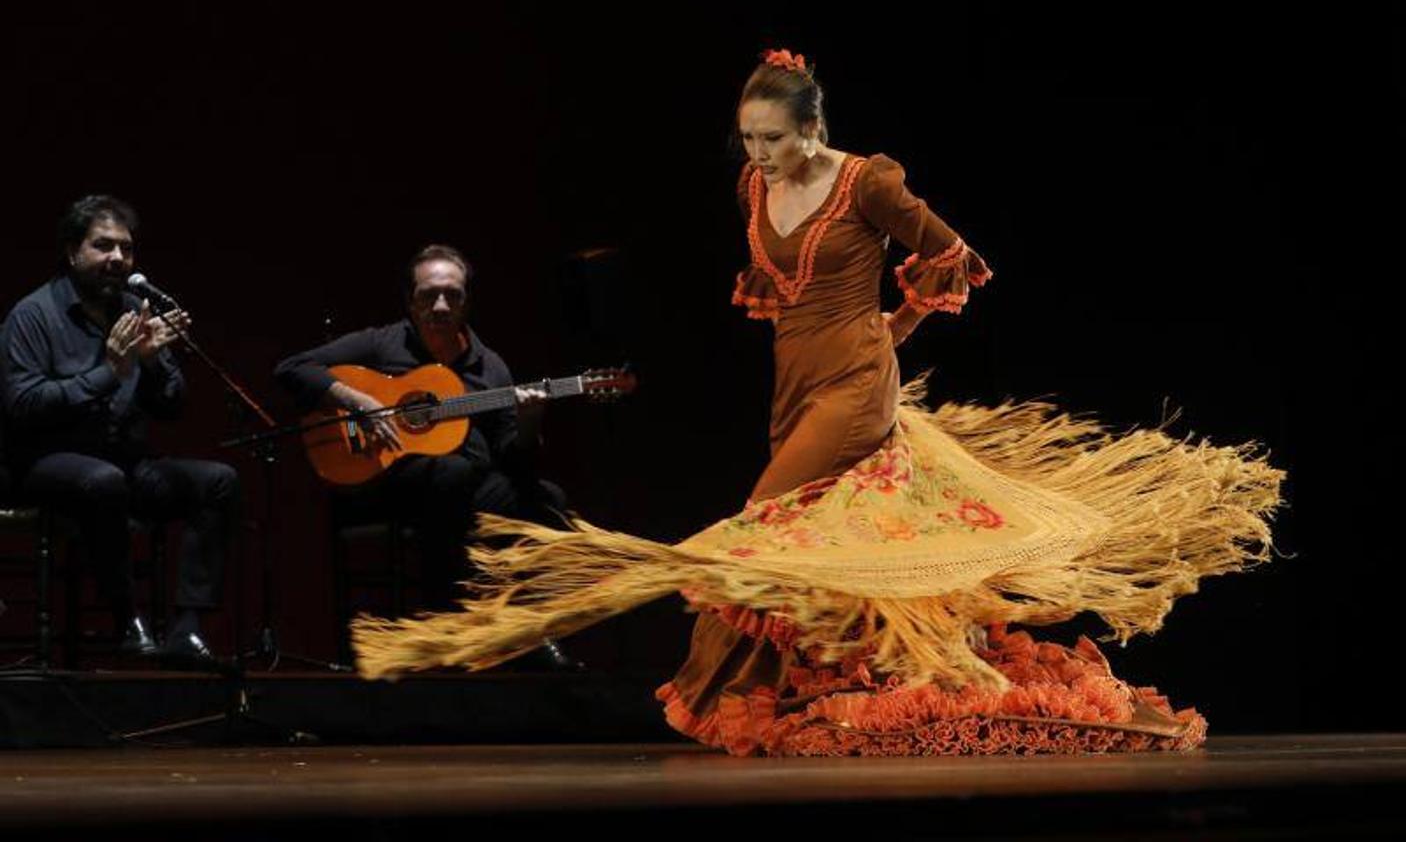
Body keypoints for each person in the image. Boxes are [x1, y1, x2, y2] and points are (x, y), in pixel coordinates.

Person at [351, 51, 1283, 755]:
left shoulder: (866, 180)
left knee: (758, 528)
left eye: (774, 138)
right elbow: (781, 296)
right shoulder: (756, 187)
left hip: (853, 380)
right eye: (749, 140)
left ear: (813, 125)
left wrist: (890, 337)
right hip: (792, 384)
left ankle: (749, 680)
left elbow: (946, 256)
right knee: (830, 548)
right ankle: (892, 673)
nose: (759, 154)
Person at [275, 243, 581, 669]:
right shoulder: (382, 344)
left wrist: (529, 423)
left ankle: (527, 627)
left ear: (466, 302)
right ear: (410, 301)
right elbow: (291, 368)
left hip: (463, 490)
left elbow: (515, 460)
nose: (440, 305)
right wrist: (357, 400)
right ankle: (454, 622)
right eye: (428, 295)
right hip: (381, 482)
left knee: (548, 499)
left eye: (452, 295)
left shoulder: (489, 367)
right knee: (450, 472)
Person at [1, 195, 241, 660]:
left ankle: (186, 628)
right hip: (43, 462)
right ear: (73, 253)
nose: (117, 259)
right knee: (102, 481)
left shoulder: (135, 308)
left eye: (126, 249)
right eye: (103, 246)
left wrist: (149, 365)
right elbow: (23, 406)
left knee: (217, 482)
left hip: (123, 461)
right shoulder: (32, 316)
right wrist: (109, 372)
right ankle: (126, 618)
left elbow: (172, 404)